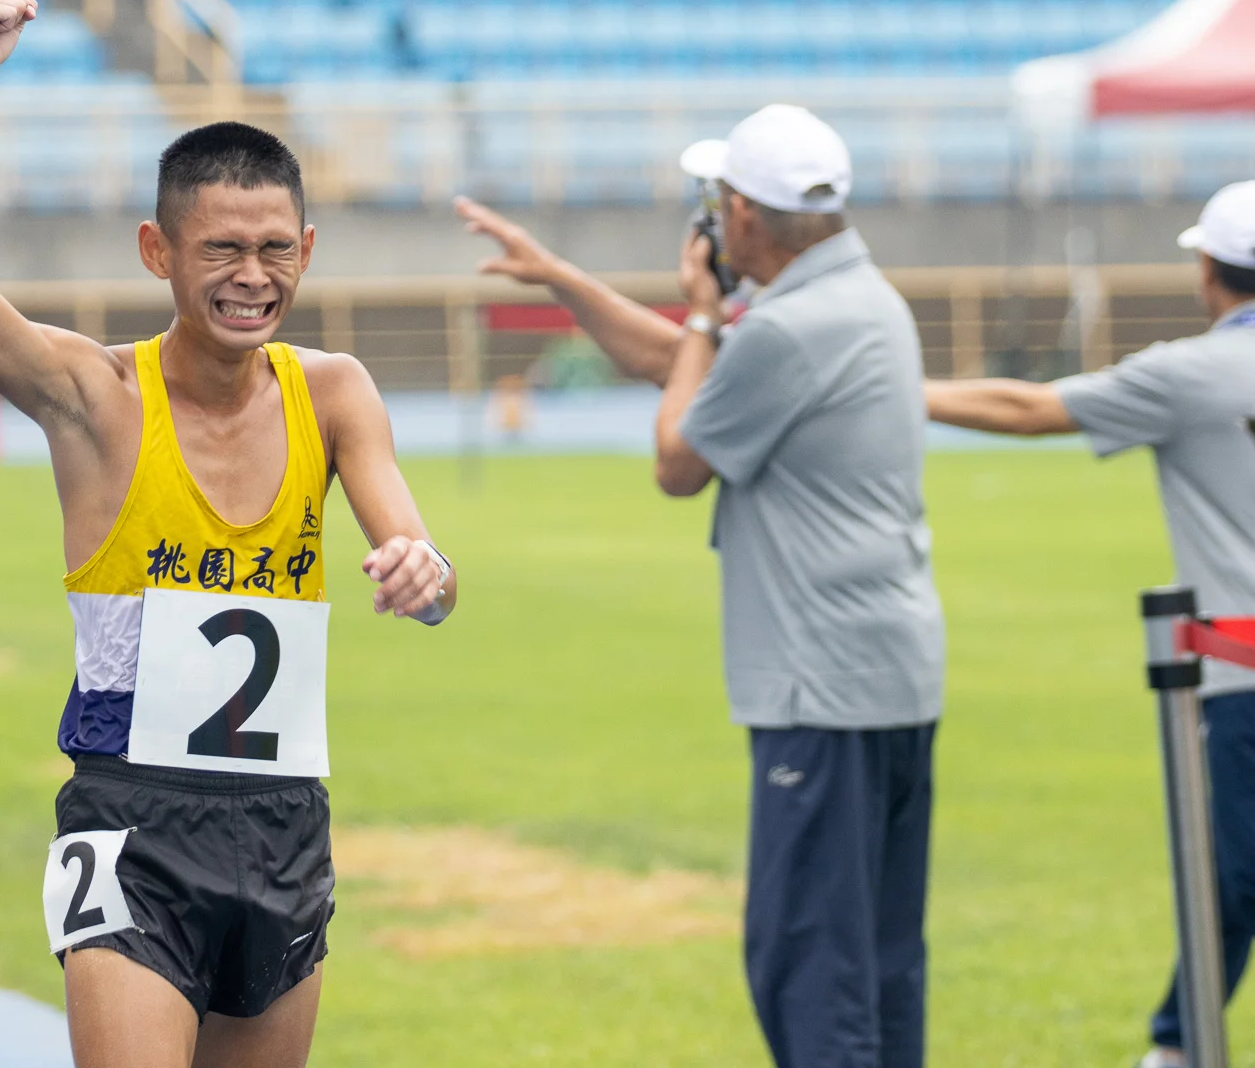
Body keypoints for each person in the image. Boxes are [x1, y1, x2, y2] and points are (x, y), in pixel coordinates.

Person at [0, 0, 457, 1068]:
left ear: (306, 246)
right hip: (129, 819)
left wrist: (424, 575)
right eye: (222, 251)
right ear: (157, 250)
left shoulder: (334, 392)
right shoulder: (95, 396)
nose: (253, 277)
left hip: (283, 821)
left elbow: (425, 569)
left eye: (276, 249)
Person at [460, 104, 944, 1068]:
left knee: (807, 965)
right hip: (888, 674)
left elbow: (680, 455)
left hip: (821, 685)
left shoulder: (786, 331)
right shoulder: (856, 299)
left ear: (743, 216)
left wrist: (709, 311)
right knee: (879, 964)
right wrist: (562, 277)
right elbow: (685, 365)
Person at [926, 180, 1255, 1068]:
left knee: (1232, 868)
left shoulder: (1189, 373)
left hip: (1242, 673)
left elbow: (1027, 410)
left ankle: (1179, 1045)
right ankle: (1180, 1040)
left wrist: (896, 387)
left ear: (1206, 270)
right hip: (1234, 666)